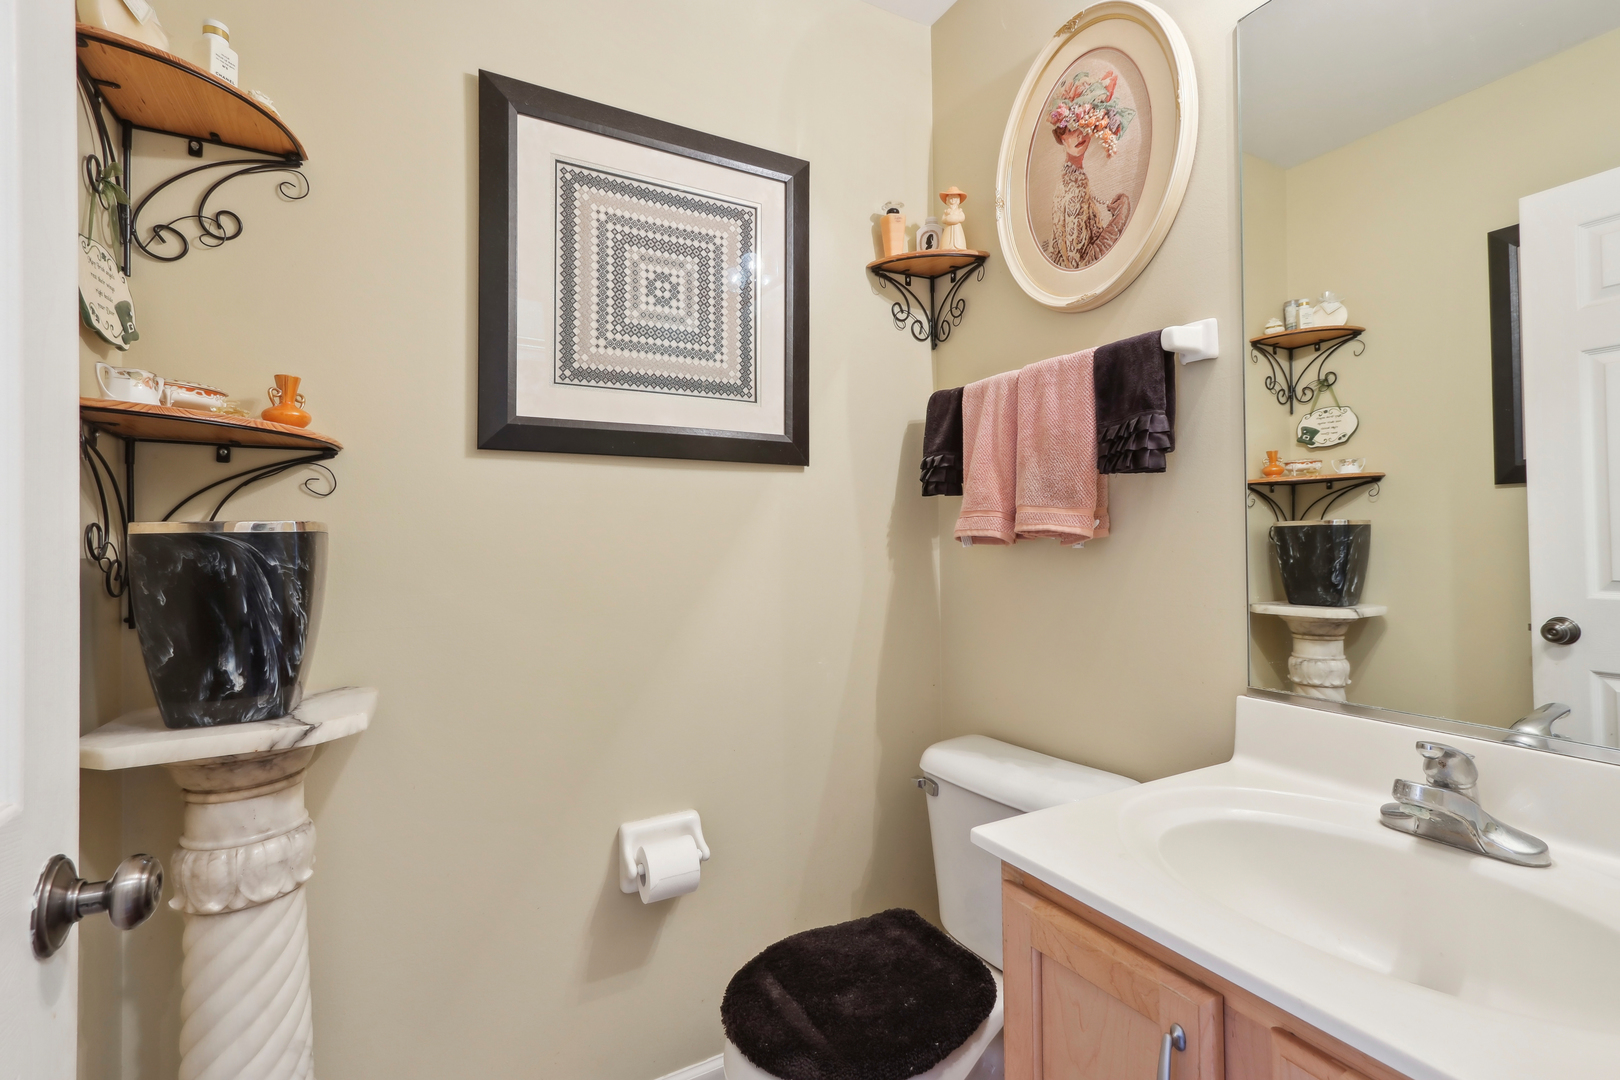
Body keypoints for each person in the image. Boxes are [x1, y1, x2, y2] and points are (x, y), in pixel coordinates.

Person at [1043, 69, 1134, 269]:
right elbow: (1081, 263)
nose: (1077, 135)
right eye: (1068, 129)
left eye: (1082, 126)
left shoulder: (1072, 178)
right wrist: (1118, 222)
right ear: (1061, 137)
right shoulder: (1074, 186)